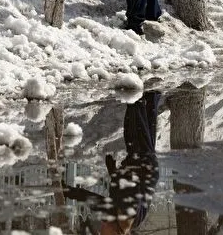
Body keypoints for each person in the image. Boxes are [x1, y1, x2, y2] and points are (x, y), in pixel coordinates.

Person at [63, 90, 161, 234]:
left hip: (146, 169)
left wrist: (113, 171)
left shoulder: (123, 220)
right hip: (142, 167)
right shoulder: (126, 215)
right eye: (104, 231)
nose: (102, 226)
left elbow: (114, 193)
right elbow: (126, 187)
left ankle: (152, 98)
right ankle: (134, 95)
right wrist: (67, 191)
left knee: (146, 136)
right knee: (134, 131)